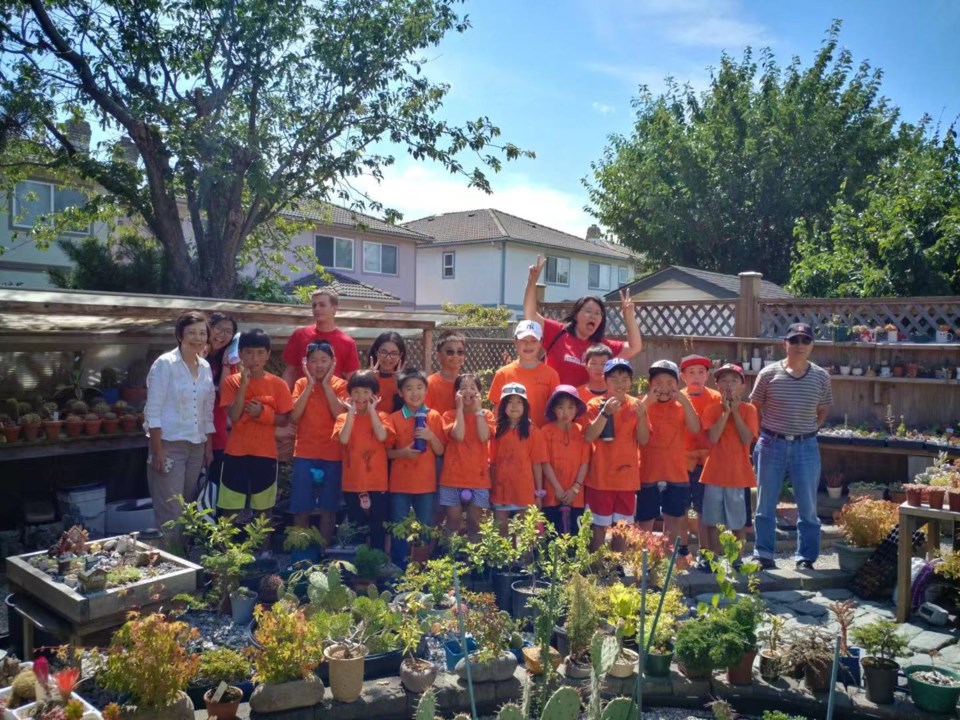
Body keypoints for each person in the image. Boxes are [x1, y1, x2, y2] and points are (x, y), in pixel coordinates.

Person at [751, 323, 833, 570]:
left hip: (805, 446)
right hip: (771, 444)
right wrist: (759, 436)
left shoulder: (821, 376)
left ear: (811, 345)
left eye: (804, 341)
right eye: (794, 340)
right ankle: (763, 553)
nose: (799, 345)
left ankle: (806, 557)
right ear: (784, 343)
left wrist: (807, 431)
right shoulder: (767, 374)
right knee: (765, 502)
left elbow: (823, 409)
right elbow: (754, 407)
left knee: (808, 505)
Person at [144, 311, 216, 542]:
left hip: (196, 446)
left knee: (187, 507)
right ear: (179, 335)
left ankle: (183, 559)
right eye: (192, 332)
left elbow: (206, 411)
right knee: (171, 510)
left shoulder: (204, 366)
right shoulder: (165, 364)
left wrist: (208, 447)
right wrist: (157, 450)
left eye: (202, 333)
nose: (198, 338)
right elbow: (153, 410)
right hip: (169, 445)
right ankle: (170, 564)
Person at [523, 255, 642, 386]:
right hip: (554, 403)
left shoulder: (602, 347)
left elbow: (634, 347)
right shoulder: (557, 332)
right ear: (576, 315)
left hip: (585, 405)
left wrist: (629, 316)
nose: (593, 316)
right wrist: (532, 281)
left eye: (598, 313)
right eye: (588, 311)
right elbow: (531, 315)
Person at [218, 329, 294, 520]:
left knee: (264, 507)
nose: (255, 358)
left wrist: (263, 413)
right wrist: (243, 386)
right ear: (241, 354)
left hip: (265, 451)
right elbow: (233, 417)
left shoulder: (278, 384)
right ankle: (227, 549)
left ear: (268, 354)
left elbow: (285, 419)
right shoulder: (230, 382)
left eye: (260, 352)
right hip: (236, 451)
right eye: (249, 352)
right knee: (231, 505)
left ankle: (265, 550)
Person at [636, 360, 700, 555]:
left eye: (669, 382)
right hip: (647, 471)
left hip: (676, 472)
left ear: (677, 384)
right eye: (658, 382)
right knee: (645, 519)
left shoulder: (682, 405)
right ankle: (643, 559)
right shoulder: (641, 402)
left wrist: (684, 400)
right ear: (650, 383)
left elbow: (695, 428)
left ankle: (666, 558)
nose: (664, 388)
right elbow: (633, 432)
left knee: (673, 518)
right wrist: (646, 403)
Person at [582, 358, 647, 551]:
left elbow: (643, 440)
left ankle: (616, 567)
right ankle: (597, 567)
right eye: (614, 379)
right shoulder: (595, 404)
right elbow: (588, 436)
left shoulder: (636, 405)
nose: (620, 384)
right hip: (600, 477)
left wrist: (643, 416)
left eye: (624, 379)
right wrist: (605, 413)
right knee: (599, 525)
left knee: (622, 526)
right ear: (605, 380)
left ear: (631, 382)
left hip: (627, 478)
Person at [698, 364, 758, 570]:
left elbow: (747, 438)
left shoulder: (749, 409)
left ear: (742, 385)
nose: (729, 384)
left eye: (734, 380)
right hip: (714, 473)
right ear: (717, 385)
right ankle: (713, 559)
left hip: (738, 475)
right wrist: (725, 413)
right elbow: (712, 438)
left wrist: (736, 413)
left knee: (738, 522)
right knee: (711, 520)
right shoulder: (711, 409)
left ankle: (736, 560)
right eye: (724, 380)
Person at [290, 342, 348, 546]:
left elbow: (340, 415)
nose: (319, 365)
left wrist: (325, 386)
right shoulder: (300, 383)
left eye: (324, 360)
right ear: (306, 363)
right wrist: (309, 385)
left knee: (328, 508)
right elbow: (294, 416)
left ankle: (324, 550)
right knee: (301, 506)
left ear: (333, 362)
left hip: (332, 454)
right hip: (304, 453)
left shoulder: (341, 385)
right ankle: (300, 550)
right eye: (313, 360)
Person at [387, 368, 445, 565]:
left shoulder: (434, 416)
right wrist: (402, 453)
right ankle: (398, 568)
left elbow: (440, 450)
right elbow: (386, 452)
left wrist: (430, 436)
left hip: (426, 484)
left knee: (425, 528)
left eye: (420, 387)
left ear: (426, 390)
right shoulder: (393, 418)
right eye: (409, 388)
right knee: (399, 528)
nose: (415, 393)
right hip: (400, 484)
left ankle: (421, 569)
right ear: (401, 393)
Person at [334, 370, 393, 552]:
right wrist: (351, 412)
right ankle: (358, 566)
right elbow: (343, 439)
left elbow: (382, 436)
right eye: (356, 392)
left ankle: (378, 562)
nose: (361, 397)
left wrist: (372, 411)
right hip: (352, 483)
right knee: (357, 527)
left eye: (366, 392)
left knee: (377, 526)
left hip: (377, 482)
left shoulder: (383, 416)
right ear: (349, 394)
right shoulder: (343, 418)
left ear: (374, 395)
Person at [439, 373, 494, 539]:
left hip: (478, 478)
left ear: (480, 392)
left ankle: (474, 562)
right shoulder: (449, 415)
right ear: (456, 393)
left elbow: (484, 436)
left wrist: (478, 410)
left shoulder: (487, 415)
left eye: (472, 388)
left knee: (474, 523)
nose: (468, 391)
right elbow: (459, 435)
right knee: (453, 522)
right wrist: (460, 410)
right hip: (452, 477)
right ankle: (449, 560)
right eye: (463, 388)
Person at [489, 383, 548, 533]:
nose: (514, 406)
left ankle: (526, 558)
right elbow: (492, 463)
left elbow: (537, 464)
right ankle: (504, 558)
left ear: (526, 406)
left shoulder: (533, 431)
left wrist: (539, 493)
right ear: (503, 406)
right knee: (501, 533)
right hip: (501, 490)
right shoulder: (496, 430)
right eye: (510, 401)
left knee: (526, 534)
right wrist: (490, 489)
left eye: (519, 401)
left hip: (525, 491)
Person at [679, 354, 721, 553]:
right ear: (683, 376)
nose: (696, 376)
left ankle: (704, 551)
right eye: (691, 372)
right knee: (682, 508)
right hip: (682, 461)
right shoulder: (677, 398)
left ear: (707, 375)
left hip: (708, 462)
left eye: (701, 372)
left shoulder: (716, 397)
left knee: (704, 510)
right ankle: (683, 548)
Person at [281, 288, 360, 387]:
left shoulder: (347, 342)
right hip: (303, 398)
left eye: (322, 305)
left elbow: (352, 379)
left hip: (332, 399)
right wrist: (284, 399)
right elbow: (290, 373)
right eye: (314, 305)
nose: (317, 309)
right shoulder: (299, 335)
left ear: (334, 308)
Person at [488, 320, 560, 427]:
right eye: (523, 340)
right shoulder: (502, 374)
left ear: (541, 343)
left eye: (533, 341)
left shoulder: (551, 375)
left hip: (541, 439)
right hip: (510, 439)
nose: (528, 345)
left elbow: (556, 410)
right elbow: (497, 411)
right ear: (515, 342)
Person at [541, 385, 590, 535]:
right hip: (552, 493)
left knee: (575, 536)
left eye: (570, 408)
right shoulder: (546, 431)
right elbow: (545, 462)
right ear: (554, 409)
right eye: (561, 407)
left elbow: (584, 463)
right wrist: (557, 488)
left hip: (576, 495)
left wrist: (575, 488)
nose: (565, 412)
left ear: (576, 410)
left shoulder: (582, 431)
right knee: (552, 536)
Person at [205, 312, 239, 492]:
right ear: (208, 327)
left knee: (215, 483)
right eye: (219, 328)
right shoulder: (192, 356)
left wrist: (227, 361)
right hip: (194, 427)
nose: (222, 335)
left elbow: (228, 394)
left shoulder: (229, 361)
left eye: (228, 332)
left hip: (218, 427)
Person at [424, 330, 467, 415]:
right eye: (450, 352)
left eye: (460, 352)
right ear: (438, 356)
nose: (455, 356)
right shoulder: (429, 384)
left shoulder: (467, 383)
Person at [369, 331, 406, 413]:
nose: (388, 358)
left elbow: (411, 411)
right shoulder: (363, 377)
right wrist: (369, 382)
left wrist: (400, 384)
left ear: (400, 355)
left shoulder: (409, 380)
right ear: (376, 352)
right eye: (383, 352)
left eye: (394, 353)